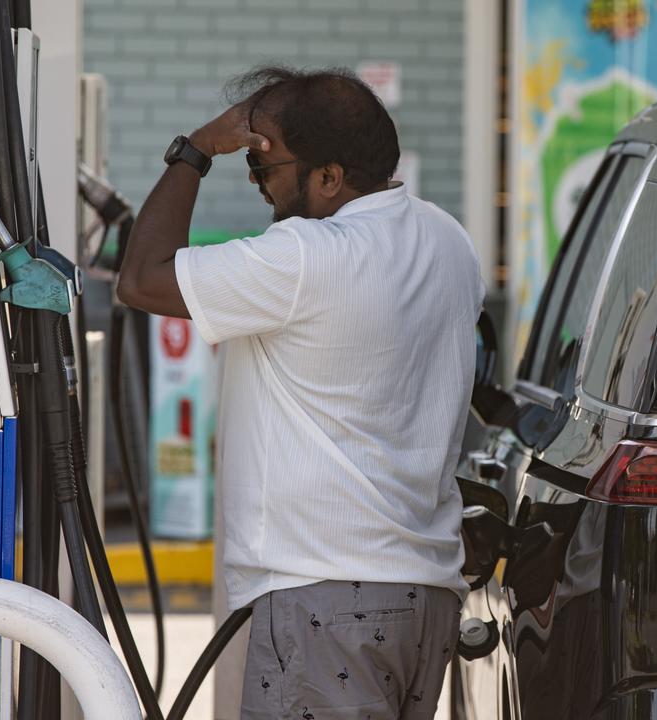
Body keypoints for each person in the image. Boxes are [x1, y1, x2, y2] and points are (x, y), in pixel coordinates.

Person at [117, 65, 485, 720]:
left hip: (326, 603)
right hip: (424, 599)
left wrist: (195, 152)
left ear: (330, 177)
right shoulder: (448, 241)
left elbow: (141, 278)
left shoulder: (306, 257)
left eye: (266, 167)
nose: (259, 185)